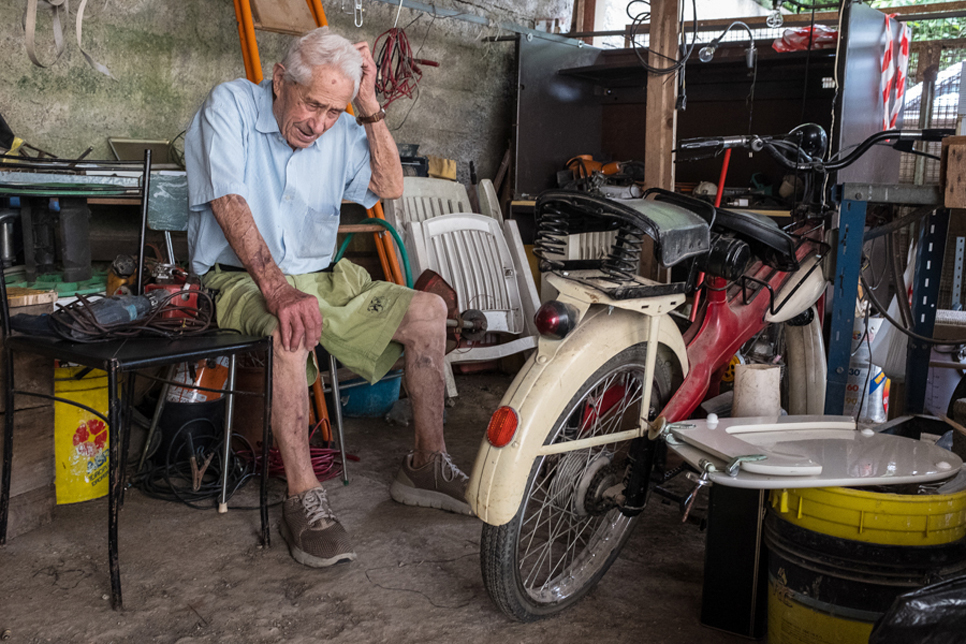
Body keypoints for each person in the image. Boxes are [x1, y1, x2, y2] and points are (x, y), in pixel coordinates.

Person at [184, 27, 471, 569]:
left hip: (321, 277)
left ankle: (427, 462)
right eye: (312, 104)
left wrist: (367, 107)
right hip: (238, 277)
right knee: (287, 330)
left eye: (331, 111)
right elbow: (227, 199)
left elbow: (388, 188)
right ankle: (303, 497)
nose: (318, 125)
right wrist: (277, 287)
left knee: (428, 310)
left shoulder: (341, 122)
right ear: (278, 81)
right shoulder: (230, 105)